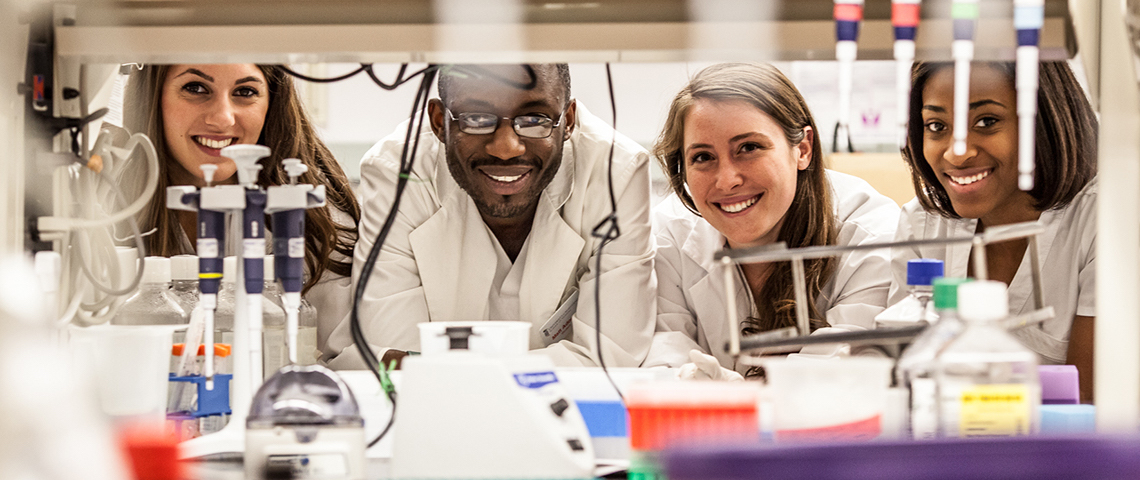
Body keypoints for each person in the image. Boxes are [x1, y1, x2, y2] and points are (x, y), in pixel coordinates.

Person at [324, 64, 655, 369]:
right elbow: (387, 348)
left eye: (535, 119)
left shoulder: (616, 172)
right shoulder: (399, 170)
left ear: (568, 120)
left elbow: (610, 358)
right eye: (477, 118)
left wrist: (442, 370)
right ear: (439, 122)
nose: (506, 148)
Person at [645, 63, 900, 378]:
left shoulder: (870, 235)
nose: (727, 180)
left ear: (803, 149)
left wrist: (734, 393)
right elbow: (663, 361)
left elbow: (844, 372)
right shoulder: (667, 235)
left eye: (749, 148)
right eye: (703, 157)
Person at [891, 61, 1097, 401]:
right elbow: (905, 385)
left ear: (1045, 122)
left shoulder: (1104, 221)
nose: (957, 153)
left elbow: (1090, 402)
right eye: (936, 126)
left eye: (986, 122)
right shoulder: (922, 223)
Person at [123, 64, 360, 354]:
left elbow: (340, 355)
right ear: (151, 96)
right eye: (195, 88)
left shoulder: (311, 213)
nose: (222, 118)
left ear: (272, 102)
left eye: (245, 92)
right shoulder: (106, 207)